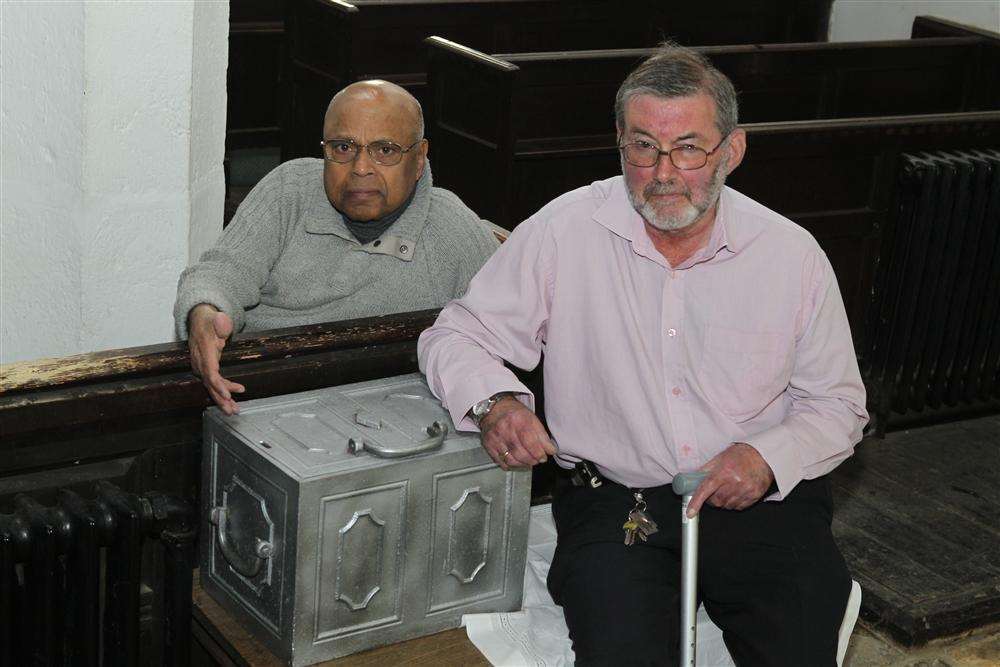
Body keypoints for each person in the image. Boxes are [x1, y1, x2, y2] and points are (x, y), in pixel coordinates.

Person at [418, 42, 868, 665]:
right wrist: (496, 404)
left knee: (796, 641)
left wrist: (766, 458)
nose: (662, 173)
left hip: (756, 500)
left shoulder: (790, 256)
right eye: (642, 147)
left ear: (730, 151)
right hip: (616, 500)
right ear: (620, 145)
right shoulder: (563, 230)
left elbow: (838, 405)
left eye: (688, 148)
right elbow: (454, 334)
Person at [175, 80, 499, 415]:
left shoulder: (453, 232)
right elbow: (221, 272)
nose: (360, 168)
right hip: (255, 397)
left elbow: (507, 327)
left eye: (384, 150)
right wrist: (203, 312)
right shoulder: (287, 192)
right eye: (343, 148)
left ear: (418, 159)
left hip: (390, 416)